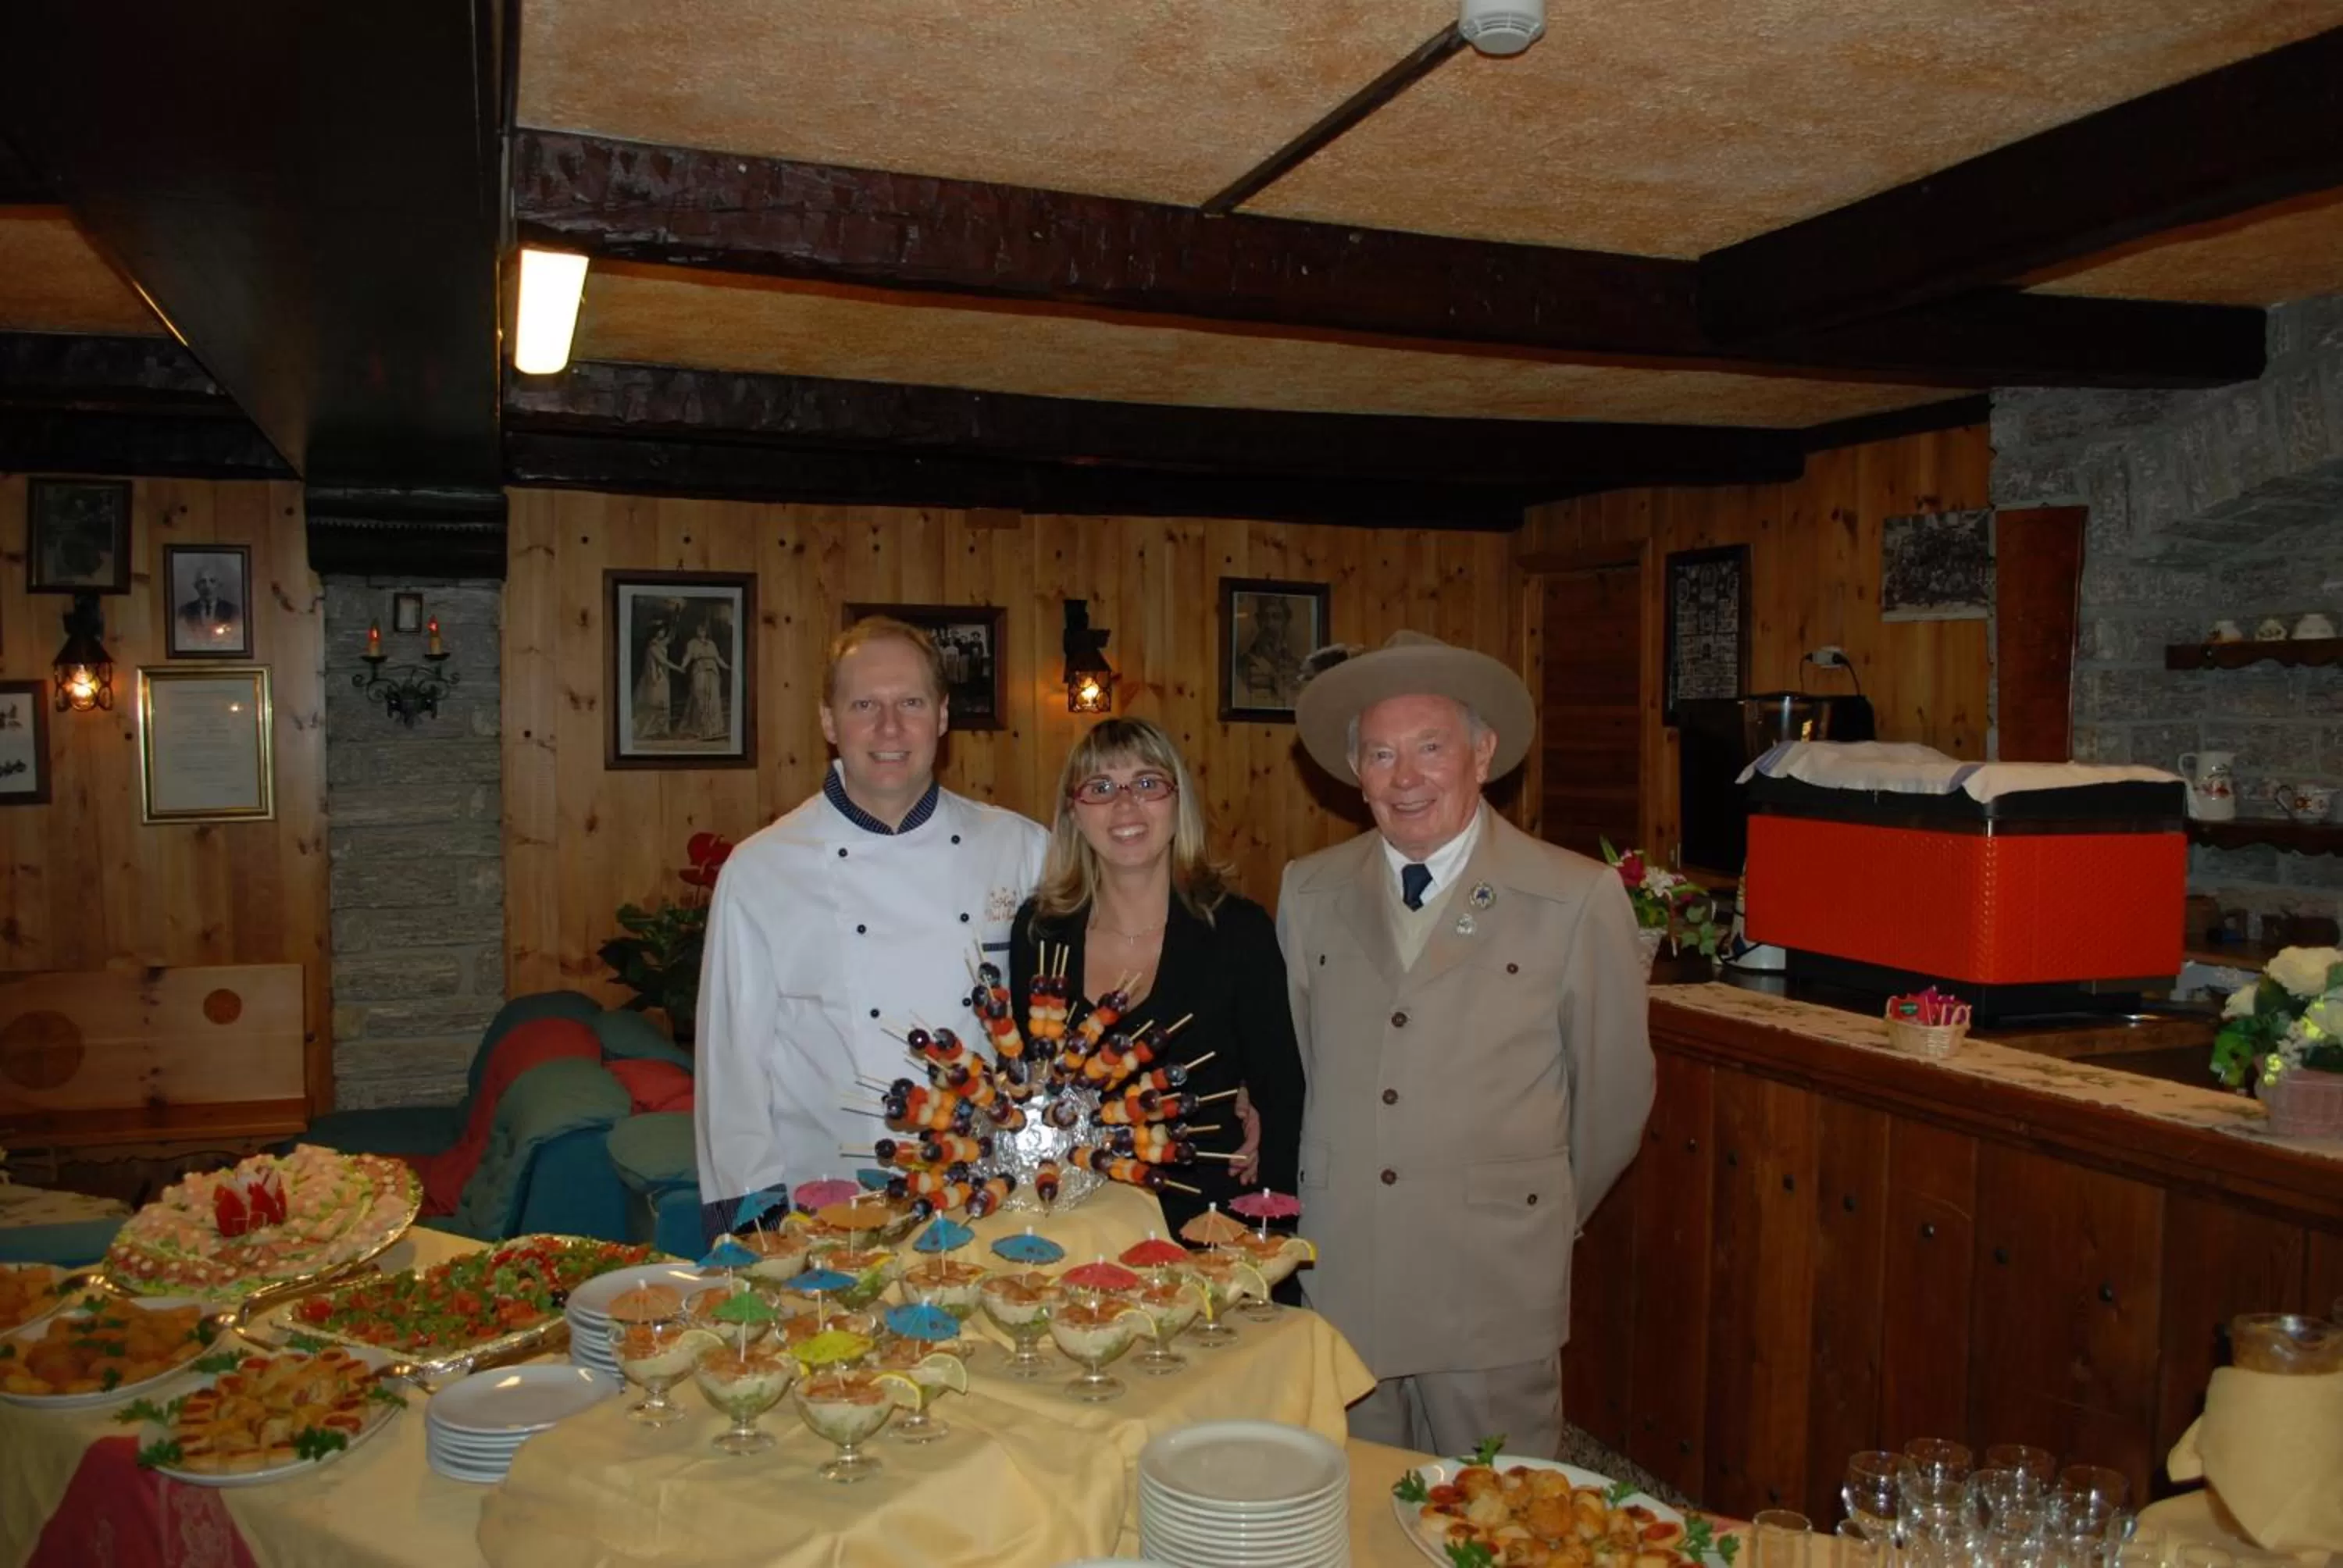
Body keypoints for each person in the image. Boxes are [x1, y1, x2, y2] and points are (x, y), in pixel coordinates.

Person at [1277, 629, 1654, 1459]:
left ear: (1482, 754)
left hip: (1489, 1279)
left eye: (1429, 747)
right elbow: (1307, 1063)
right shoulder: (1309, 891)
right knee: (1359, 1515)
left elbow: (1614, 1101)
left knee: (1500, 1515)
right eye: (1380, 753)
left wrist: (1528, 1208)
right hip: (1352, 1273)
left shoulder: (1573, 896)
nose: (1405, 777)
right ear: (1355, 772)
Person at [694, 617, 1048, 1238]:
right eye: (865, 705)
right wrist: (749, 1227)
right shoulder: (762, 869)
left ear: (941, 716)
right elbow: (732, 1069)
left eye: (910, 702)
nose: (890, 728)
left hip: (986, 1201)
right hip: (828, 1211)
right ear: (829, 722)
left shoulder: (1020, 848)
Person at [1009, 718, 1303, 1238]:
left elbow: (1280, 1099)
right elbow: (1030, 1089)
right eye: (1101, 788)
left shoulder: (1237, 931)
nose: (1126, 806)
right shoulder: (1040, 933)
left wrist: (1267, 1239)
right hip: (1075, 1223)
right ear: (1074, 813)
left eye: (1147, 783)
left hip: (1211, 1222)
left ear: (1177, 802)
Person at [680, 618, 732, 740]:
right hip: (700, 671)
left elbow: (718, 658)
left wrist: (728, 667)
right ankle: (699, 728)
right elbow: (688, 656)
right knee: (700, 698)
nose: (701, 632)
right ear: (696, 631)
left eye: (703, 630)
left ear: (706, 632)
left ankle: (713, 728)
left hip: (712, 672)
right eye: (699, 629)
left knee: (713, 699)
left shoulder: (712, 644)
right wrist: (682, 666)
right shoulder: (692, 643)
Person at [633, 623, 679, 741]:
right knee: (655, 701)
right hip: (656, 676)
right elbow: (663, 661)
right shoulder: (652, 646)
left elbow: (671, 637)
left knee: (663, 701)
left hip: (663, 676)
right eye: (661, 631)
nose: (663, 633)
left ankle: (662, 730)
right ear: (655, 632)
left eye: (664, 631)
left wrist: (676, 620)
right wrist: (678, 668)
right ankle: (651, 730)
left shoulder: (661, 644)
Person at [176, 565, 240, 648]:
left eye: (212, 581)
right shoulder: (185, 611)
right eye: (203, 582)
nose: (207, 586)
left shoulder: (232, 611)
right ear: (196, 586)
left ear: (219, 585)